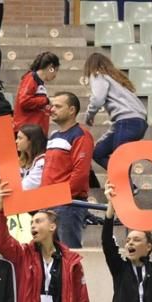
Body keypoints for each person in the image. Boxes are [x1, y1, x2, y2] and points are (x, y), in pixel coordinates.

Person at [41, 92, 94, 248]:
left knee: (68, 255)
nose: (52, 109)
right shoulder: (54, 135)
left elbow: (81, 173)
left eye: (58, 106)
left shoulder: (81, 135)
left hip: (67, 205)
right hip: (49, 202)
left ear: (72, 110)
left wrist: (60, 196)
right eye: (52, 106)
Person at [84, 52, 148, 171]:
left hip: (127, 122)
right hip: (138, 123)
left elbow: (98, 99)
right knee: (98, 152)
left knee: (120, 159)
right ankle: (127, 185)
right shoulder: (117, 79)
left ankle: (127, 187)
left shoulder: (97, 74)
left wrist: (89, 115)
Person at [13, 51, 59, 136]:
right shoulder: (31, 78)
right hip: (28, 131)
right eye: (55, 70)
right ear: (50, 68)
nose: (55, 75)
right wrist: (46, 100)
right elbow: (24, 101)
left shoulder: (39, 83)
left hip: (35, 131)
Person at [16, 123, 47, 190]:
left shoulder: (42, 162)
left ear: (31, 141)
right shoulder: (23, 160)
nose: (16, 141)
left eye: (20, 138)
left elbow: (26, 187)